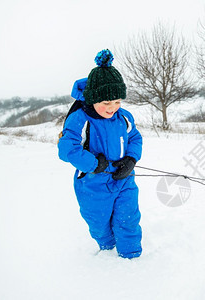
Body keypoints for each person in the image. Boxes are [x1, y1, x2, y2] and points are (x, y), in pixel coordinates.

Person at [58, 49, 143, 258]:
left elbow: (135, 138)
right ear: (94, 99)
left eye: (117, 101)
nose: (112, 107)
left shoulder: (124, 117)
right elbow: (67, 149)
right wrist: (93, 163)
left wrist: (131, 160)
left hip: (123, 180)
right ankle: (107, 249)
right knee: (98, 223)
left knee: (128, 217)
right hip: (92, 184)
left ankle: (131, 257)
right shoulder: (80, 119)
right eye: (106, 103)